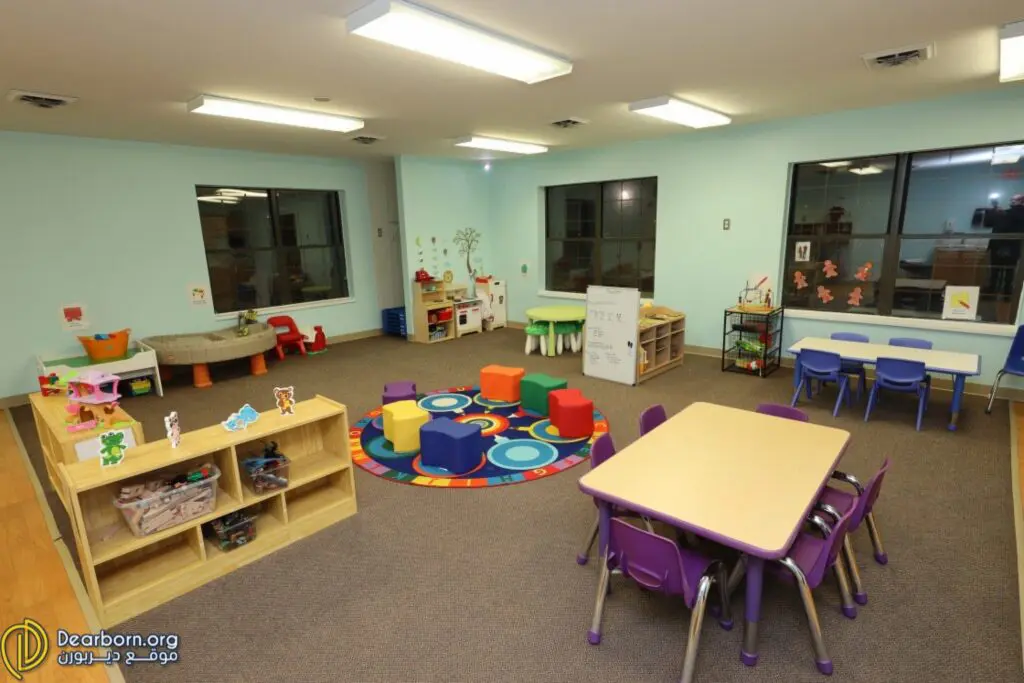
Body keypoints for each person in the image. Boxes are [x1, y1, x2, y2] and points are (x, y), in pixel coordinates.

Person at [988, 193, 1024, 298]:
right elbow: (991, 223)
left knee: (1007, 271)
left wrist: (1002, 213)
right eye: (1012, 199)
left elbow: (1015, 218)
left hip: (1009, 246)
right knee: (996, 270)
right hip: (999, 245)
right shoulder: (1007, 213)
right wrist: (996, 210)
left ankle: (1004, 292)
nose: (1012, 201)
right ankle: (994, 291)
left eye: (1015, 200)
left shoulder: (1019, 213)